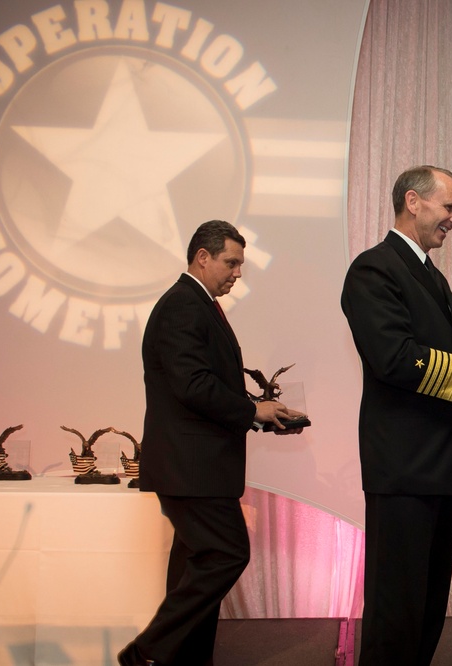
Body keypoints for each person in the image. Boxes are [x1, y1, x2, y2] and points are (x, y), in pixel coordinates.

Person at [341, 165, 452, 665]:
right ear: (413, 201)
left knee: (426, 611)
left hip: (438, 467)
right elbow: (396, 360)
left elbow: (438, 389)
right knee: (396, 613)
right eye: (450, 207)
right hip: (403, 470)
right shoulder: (374, 269)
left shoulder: (429, 275)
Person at [120, 219, 305, 666]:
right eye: (231, 262)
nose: (237, 272)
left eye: (240, 263)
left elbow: (203, 384)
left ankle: (180, 659)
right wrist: (250, 410)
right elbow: (192, 385)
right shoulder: (184, 305)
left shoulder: (195, 303)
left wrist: (261, 412)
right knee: (227, 553)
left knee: (193, 567)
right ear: (202, 257)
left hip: (197, 465)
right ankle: (146, 652)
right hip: (192, 467)